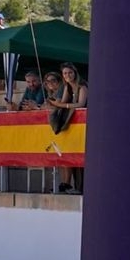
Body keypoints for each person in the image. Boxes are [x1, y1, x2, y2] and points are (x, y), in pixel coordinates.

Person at [46, 62, 87, 194]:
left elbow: (80, 104)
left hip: (84, 125)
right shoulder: (67, 87)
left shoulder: (82, 86)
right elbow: (62, 102)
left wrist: (62, 105)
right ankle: (73, 186)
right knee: (70, 154)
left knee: (81, 157)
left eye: (70, 72)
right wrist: (54, 103)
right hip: (73, 125)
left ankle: (81, 188)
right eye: (65, 73)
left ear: (75, 73)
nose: (67, 75)